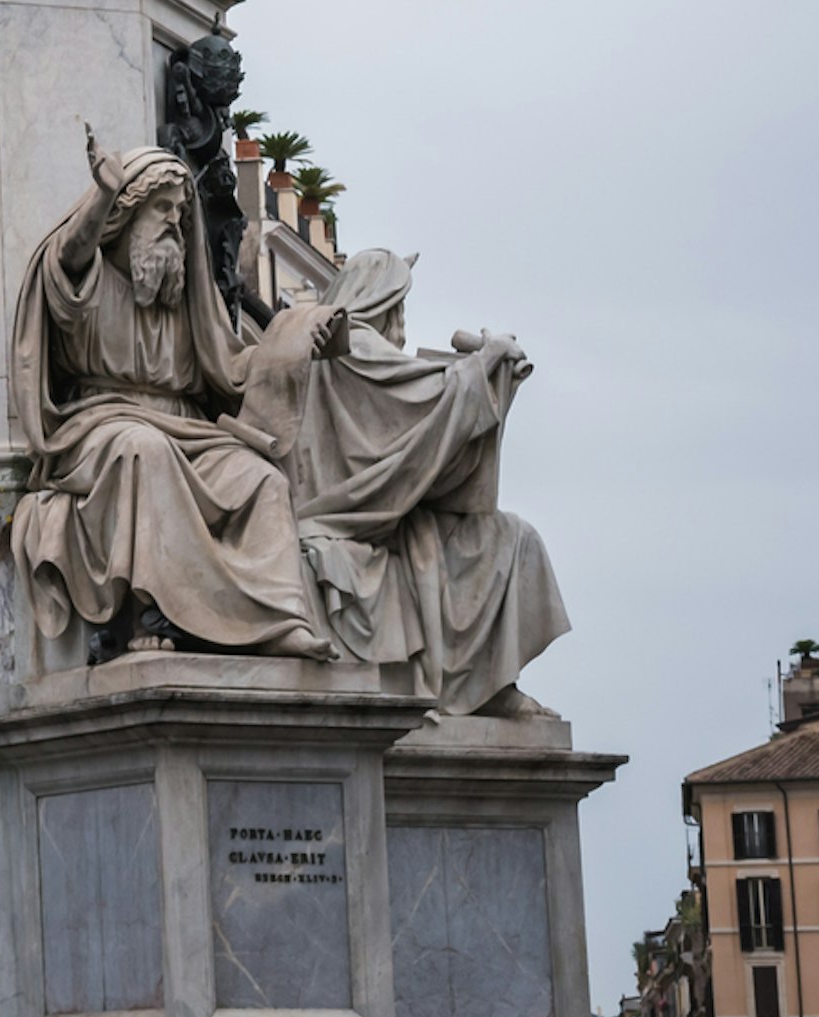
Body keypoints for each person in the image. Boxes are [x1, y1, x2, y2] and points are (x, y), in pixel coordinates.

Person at [6, 137, 331, 659]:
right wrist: (102, 195)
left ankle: (276, 618)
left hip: (189, 431)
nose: (174, 222)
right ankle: (155, 617)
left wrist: (297, 338)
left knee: (263, 480)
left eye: (180, 213)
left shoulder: (184, 302)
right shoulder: (91, 282)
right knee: (146, 452)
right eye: (162, 208)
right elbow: (66, 261)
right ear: (126, 213)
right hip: (101, 423)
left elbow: (235, 367)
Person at [239, 248, 571, 716]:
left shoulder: (344, 346)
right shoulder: (353, 344)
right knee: (515, 539)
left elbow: (418, 446)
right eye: (401, 308)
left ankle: (493, 686)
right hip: (347, 520)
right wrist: (488, 364)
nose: (402, 322)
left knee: (506, 537)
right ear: (385, 302)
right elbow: (429, 406)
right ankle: (487, 688)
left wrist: (480, 376)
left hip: (383, 514)